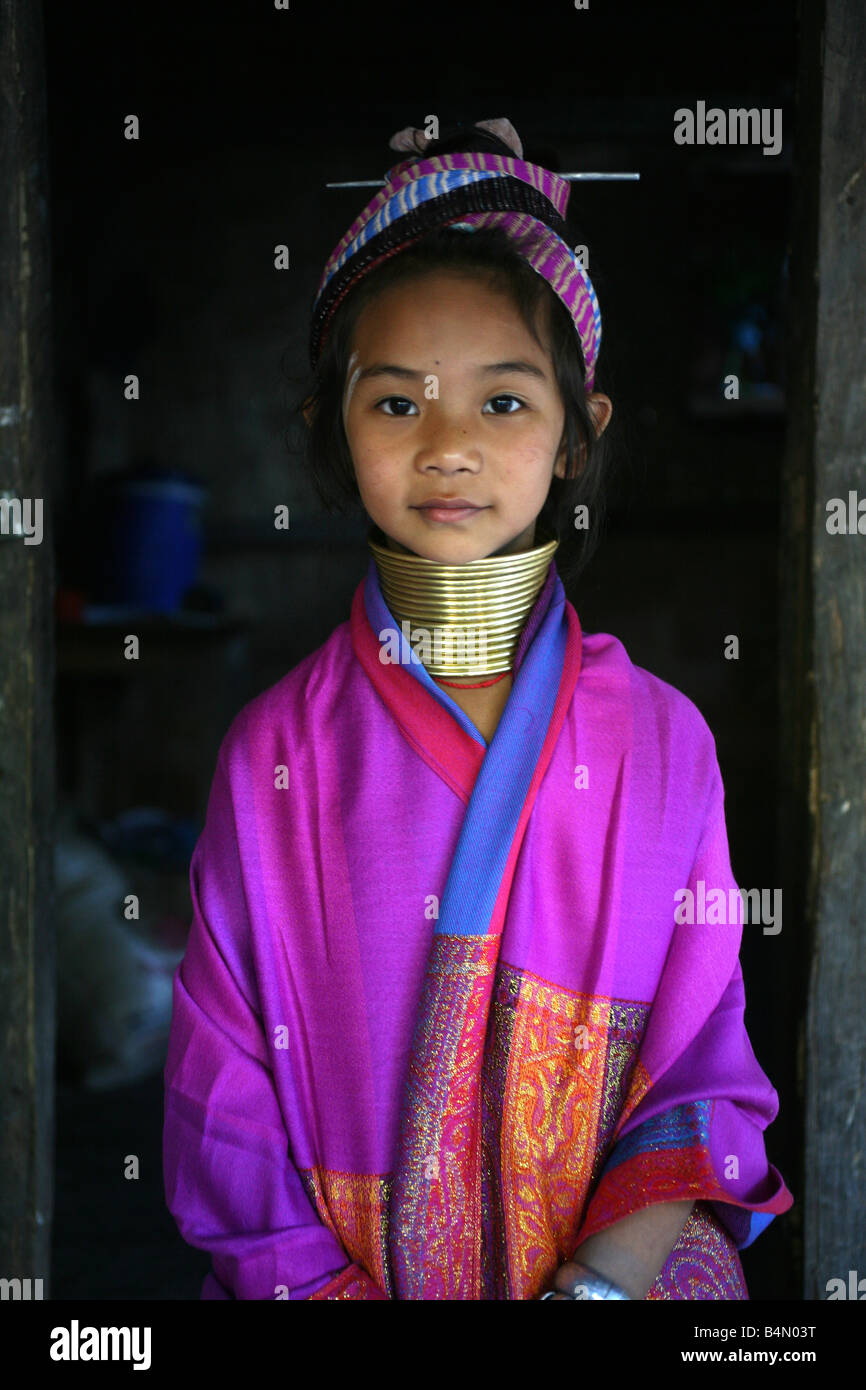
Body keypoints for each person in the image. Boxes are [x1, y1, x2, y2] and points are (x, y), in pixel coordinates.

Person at [162, 116, 793, 1300]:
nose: (447, 446)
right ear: (331, 435)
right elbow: (222, 1091)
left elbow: (698, 1076)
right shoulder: (274, 757)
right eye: (396, 405)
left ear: (575, 436)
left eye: (501, 404)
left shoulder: (662, 745)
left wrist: (597, 1286)